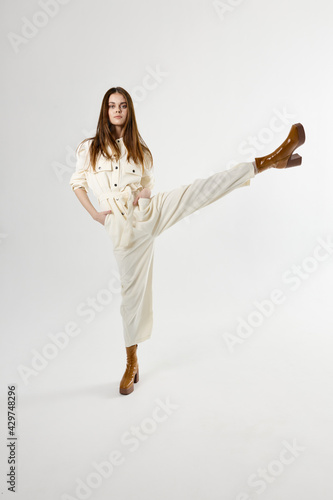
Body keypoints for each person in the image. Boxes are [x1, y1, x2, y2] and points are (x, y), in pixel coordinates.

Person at [69, 86, 306, 396]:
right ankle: (131, 362)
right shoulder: (89, 149)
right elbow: (77, 184)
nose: (117, 110)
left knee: (198, 191)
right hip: (119, 227)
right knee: (131, 296)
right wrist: (96, 216)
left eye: (123, 105)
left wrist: (143, 196)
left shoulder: (140, 149)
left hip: (145, 213)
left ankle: (269, 160)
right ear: (105, 111)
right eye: (112, 106)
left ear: (129, 111)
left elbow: (147, 185)